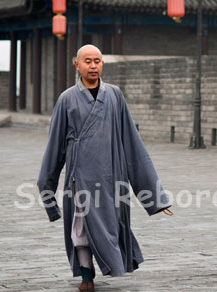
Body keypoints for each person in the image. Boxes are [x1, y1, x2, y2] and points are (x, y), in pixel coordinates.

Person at [38, 44, 172, 291]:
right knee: (81, 228)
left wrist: (156, 196)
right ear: (76, 65)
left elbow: (133, 145)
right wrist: (46, 189)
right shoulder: (66, 99)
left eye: (97, 61)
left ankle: (110, 267)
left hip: (112, 177)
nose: (93, 66)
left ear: (102, 64)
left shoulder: (114, 95)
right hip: (81, 178)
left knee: (110, 227)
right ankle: (86, 276)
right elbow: (55, 148)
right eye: (87, 61)